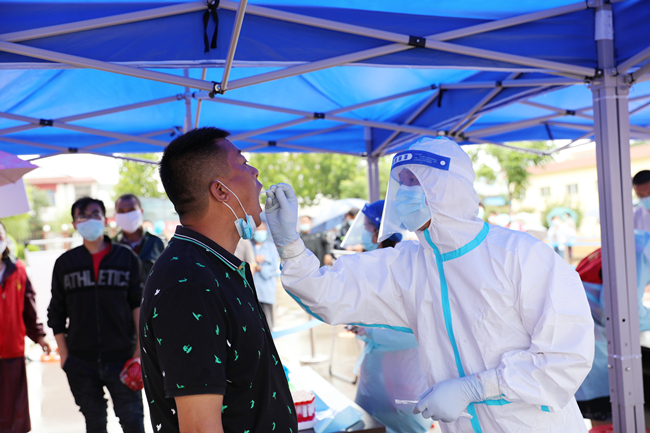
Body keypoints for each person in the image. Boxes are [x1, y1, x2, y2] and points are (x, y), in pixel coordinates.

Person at [264, 136, 594, 433]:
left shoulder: (522, 255)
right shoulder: (407, 266)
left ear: (449, 188)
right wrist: (290, 246)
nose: (405, 192)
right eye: (402, 182)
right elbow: (328, 292)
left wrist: (476, 388)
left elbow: (565, 359)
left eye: (416, 181)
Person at [140, 127, 297, 433]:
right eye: (243, 163)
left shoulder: (213, 266)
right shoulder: (189, 284)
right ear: (221, 191)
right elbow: (201, 428)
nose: (255, 172)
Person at [47, 197, 145, 433]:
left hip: (122, 357)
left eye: (94, 214)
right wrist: (65, 356)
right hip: (80, 361)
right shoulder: (65, 263)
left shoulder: (126, 258)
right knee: (95, 423)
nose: (89, 220)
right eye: (82, 216)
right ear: (74, 224)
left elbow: (138, 305)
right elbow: (56, 312)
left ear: (105, 219)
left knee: (133, 420)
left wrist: (138, 351)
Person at [345, 200, 430, 433]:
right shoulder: (374, 265)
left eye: (367, 227)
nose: (364, 233)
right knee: (369, 424)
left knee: (403, 426)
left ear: (379, 231)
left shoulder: (407, 267)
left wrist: (369, 331)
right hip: (375, 373)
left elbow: (417, 332)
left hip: (403, 378)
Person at [575, 230, 650, 427]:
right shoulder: (640, 251)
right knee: (609, 422)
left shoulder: (631, 240)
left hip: (585, 344)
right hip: (598, 352)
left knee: (602, 421)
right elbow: (620, 311)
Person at [0, 221, 51, 433]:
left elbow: (28, 307)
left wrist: (39, 336)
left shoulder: (18, 269)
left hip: (12, 351)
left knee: (13, 409)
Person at [114, 193, 166, 284]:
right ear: (116, 215)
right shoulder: (112, 246)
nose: (126, 215)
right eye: (121, 211)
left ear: (141, 212)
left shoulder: (157, 242)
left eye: (131, 210)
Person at [252, 218, 279, 329]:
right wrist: (253, 262)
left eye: (262, 229)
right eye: (257, 230)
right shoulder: (247, 246)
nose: (260, 232)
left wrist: (259, 268)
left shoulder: (271, 247)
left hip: (266, 291)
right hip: (251, 292)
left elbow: (274, 268)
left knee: (268, 324)